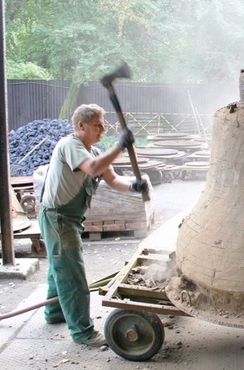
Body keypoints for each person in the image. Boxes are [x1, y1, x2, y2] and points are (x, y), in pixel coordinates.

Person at [39, 103, 149, 347]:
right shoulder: (70, 145)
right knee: (71, 274)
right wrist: (120, 145)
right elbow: (94, 168)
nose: (103, 128)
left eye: (104, 124)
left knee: (59, 267)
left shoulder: (91, 150)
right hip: (58, 217)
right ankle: (83, 332)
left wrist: (133, 186)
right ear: (81, 126)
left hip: (68, 218)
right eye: (97, 125)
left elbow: (112, 179)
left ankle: (54, 313)